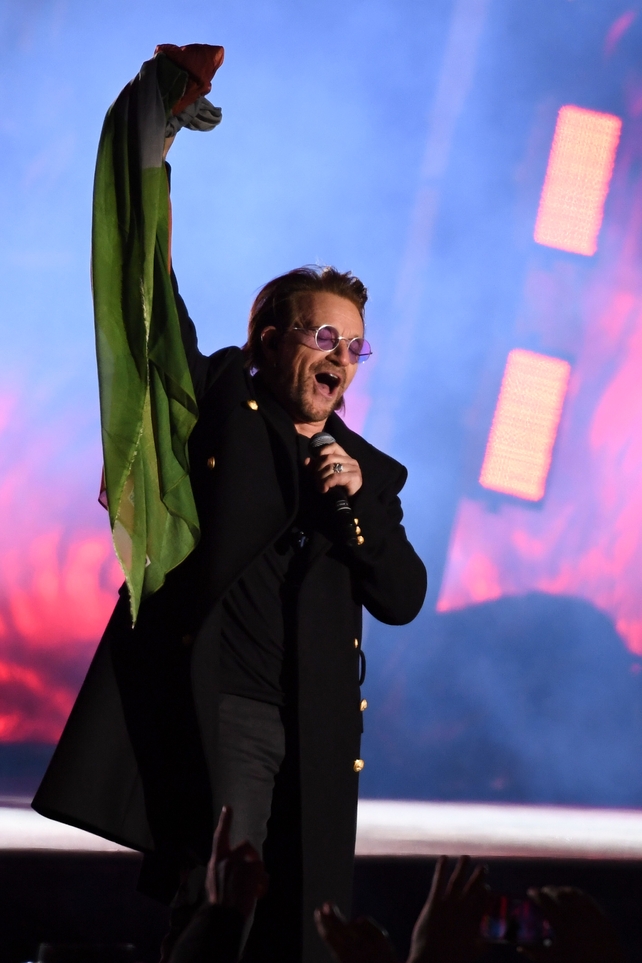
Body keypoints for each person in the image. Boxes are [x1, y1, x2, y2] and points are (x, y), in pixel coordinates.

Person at [32, 45, 427, 963]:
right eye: (323, 334)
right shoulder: (224, 401)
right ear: (269, 339)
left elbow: (402, 595)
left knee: (305, 929)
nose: (340, 358)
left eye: (355, 346)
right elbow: (148, 299)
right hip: (225, 709)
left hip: (317, 722)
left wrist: (357, 506)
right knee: (221, 904)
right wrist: (153, 143)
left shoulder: (367, 470)